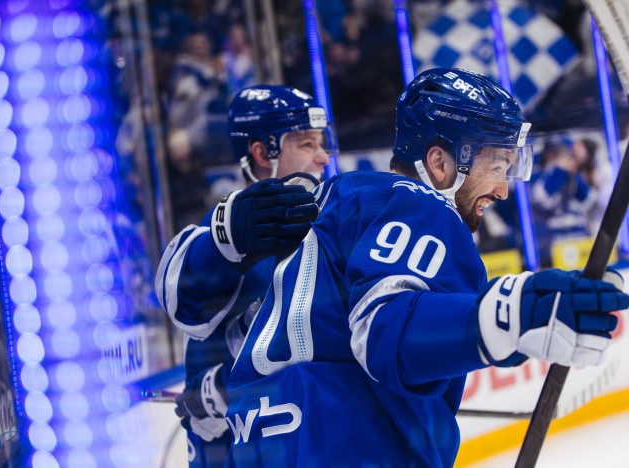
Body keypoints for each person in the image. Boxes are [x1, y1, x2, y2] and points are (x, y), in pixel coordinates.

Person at [224, 68, 629, 467]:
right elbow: (384, 331)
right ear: (439, 163)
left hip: (257, 445)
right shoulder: (421, 204)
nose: (503, 189)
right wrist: (511, 316)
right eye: (496, 166)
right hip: (341, 447)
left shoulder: (342, 197)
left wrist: (519, 318)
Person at [155, 84, 332, 466]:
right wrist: (229, 238)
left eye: (321, 143)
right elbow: (179, 295)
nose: (323, 157)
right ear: (262, 153)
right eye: (307, 144)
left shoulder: (326, 229)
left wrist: (222, 386)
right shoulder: (232, 235)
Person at [530, 136, 595, 267]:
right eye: (556, 153)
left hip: (578, 236)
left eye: (565, 153)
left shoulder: (573, 174)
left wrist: (573, 175)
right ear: (547, 154)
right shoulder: (539, 174)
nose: (561, 157)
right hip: (550, 241)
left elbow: (587, 201)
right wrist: (558, 171)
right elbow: (542, 200)